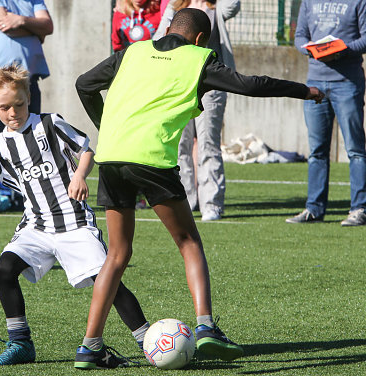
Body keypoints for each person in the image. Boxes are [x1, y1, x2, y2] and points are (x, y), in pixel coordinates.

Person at [75, 8, 324, 369]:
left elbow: (84, 83)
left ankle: (90, 346)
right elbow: (251, 85)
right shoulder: (199, 59)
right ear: (198, 40)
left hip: (112, 157)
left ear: (168, 28)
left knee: (117, 254)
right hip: (150, 159)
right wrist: (304, 90)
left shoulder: (132, 51)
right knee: (188, 242)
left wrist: (108, 126)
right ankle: (206, 326)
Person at [0, 64, 149, 367]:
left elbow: (87, 150)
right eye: (5, 107)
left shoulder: (51, 124)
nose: (13, 112)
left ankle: (148, 341)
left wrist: (80, 175)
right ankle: (21, 342)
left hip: (75, 224)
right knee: (4, 268)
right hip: (36, 226)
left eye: (19, 104)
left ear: (29, 97)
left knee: (107, 282)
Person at [155, 0, 240, 221]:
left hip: (211, 86)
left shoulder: (216, 7)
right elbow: (158, 39)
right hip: (179, 85)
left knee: (208, 144)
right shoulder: (176, 7)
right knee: (180, 145)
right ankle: (187, 199)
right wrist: (173, 10)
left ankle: (211, 204)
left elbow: (234, 5)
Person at [286, 0, 366, 226]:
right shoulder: (309, 1)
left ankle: (359, 208)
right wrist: (311, 49)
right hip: (315, 84)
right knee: (317, 151)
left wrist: (340, 51)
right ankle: (314, 208)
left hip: (347, 83)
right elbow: (299, 36)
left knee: (355, 149)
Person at [0, 0, 53, 179]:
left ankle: (24, 194)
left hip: (27, 80)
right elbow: (6, 25)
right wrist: (35, 32)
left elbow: (47, 25)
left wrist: (20, 20)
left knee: (30, 138)